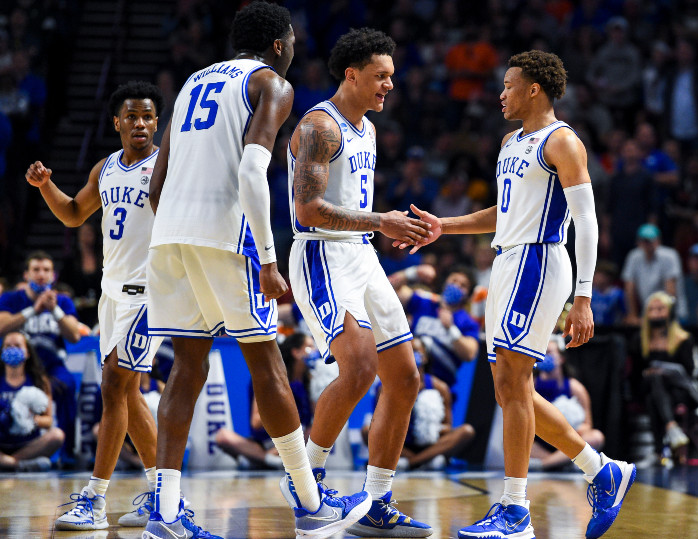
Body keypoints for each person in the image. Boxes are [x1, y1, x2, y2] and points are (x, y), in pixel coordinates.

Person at [146, 4, 370, 539]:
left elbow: (157, 183)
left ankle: (165, 513)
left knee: (186, 368)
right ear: (277, 44)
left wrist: (180, 229)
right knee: (267, 364)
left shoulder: (192, 83)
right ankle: (311, 502)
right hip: (227, 235)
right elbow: (252, 171)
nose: (294, 49)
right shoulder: (271, 83)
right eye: (291, 41)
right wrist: (268, 258)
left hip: (169, 234)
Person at [401, 50, 635, 539]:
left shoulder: (562, 141)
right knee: (511, 389)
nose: (501, 94)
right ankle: (601, 470)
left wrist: (584, 297)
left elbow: (587, 222)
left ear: (534, 89)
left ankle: (515, 510)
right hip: (507, 261)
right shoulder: (511, 142)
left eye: (509, 85)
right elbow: (503, 212)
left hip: (539, 260)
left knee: (513, 382)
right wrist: (444, 226)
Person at [285, 27, 433, 539]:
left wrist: (383, 226)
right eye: (380, 76)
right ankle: (306, 483)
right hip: (322, 254)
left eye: (391, 76)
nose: (389, 85)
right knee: (362, 366)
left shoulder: (365, 128)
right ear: (351, 75)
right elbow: (308, 209)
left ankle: (376, 502)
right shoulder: (319, 126)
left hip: (361, 254)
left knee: (406, 378)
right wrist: (381, 221)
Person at [25, 81, 168, 531]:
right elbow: (72, 213)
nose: (140, 123)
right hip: (112, 295)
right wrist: (46, 186)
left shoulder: (167, 166)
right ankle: (163, 498)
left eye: (147, 116)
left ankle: (95, 500)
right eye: (132, 116)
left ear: (156, 123)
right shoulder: (105, 169)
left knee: (114, 386)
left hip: (150, 294)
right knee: (129, 395)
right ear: (117, 122)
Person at [0, 251, 81, 463]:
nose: (41, 274)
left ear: (53, 276)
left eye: (46, 270)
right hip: (17, 368)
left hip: (51, 367)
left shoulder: (63, 301)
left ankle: (68, 453)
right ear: (26, 274)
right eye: (36, 269)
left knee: (68, 384)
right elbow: (1, 326)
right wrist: (32, 311)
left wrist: (54, 310)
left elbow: (74, 335)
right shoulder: (11, 298)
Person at [362, 339, 475, 471]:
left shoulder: (440, 387)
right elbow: (380, 425)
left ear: (425, 357)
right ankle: (426, 461)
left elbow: (448, 426)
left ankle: (411, 463)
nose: (411, 355)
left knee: (466, 431)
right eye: (407, 352)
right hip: (401, 445)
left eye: (415, 351)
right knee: (367, 430)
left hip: (432, 444)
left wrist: (430, 429)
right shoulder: (386, 387)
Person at [215, 333, 315, 469]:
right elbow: (256, 422)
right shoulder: (269, 379)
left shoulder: (309, 380)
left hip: (294, 441)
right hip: (265, 442)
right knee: (223, 436)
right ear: (296, 352)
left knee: (312, 431)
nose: (314, 351)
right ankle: (267, 459)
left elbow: (314, 420)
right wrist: (284, 403)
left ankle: (260, 460)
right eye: (309, 347)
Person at [629, 292, 698, 466]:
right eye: (652, 310)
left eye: (661, 309)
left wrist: (666, 373)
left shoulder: (683, 339)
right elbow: (634, 373)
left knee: (653, 397)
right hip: (645, 387)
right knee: (654, 380)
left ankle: (658, 453)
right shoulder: (639, 339)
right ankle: (672, 428)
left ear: (670, 311)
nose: (656, 314)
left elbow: (690, 372)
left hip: (677, 390)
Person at [392, 266, 479, 388]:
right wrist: (413, 273)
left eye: (463, 285)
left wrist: (451, 329)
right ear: (446, 282)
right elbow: (388, 289)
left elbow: (470, 354)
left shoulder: (467, 321)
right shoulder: (425, 301)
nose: (456, 286)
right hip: (406, 370)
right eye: (454, 280)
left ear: (468, 294)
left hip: (438, 383)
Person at [530, 335, 604, 471]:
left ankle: (546, 464)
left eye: (549, 353)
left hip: (568, 440)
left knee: (596, 437)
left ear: (561, 358)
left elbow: (588, 425)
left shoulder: (575, 388)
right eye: (542, 353)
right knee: (513, 438)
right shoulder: (531, 385)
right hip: (542, 442)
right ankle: (562, 461)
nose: (544, 357)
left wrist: (574, 429)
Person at [0, 331, 65, 471]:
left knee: (57, 436)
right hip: (2, 442)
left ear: (28, 352)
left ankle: (8, 463)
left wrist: (28, 420)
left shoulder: (39, 380)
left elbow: (48, 421)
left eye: (17, 346)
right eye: (8, 346)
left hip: (28, 444)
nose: (12, 349)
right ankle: (19, 465)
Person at [621, 224, 683, 325]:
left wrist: (663, 314)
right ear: (638, 242)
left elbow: (671, 291)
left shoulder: (670, 256)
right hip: (648, 313)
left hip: (673, 312)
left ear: (658, 241)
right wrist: (632, 315)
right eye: (644, 241)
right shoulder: (633, 257)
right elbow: (629, 289)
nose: (647, 244)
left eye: (650, 241)